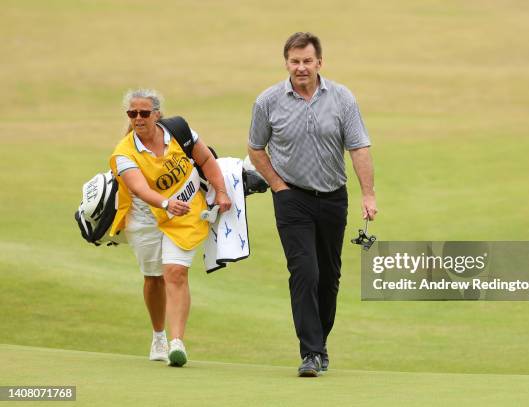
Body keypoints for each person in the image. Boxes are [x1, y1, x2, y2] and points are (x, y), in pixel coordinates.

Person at [248, 32, 377, 377]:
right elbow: (255, 148)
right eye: (295, 61)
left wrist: (368, 194)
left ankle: (319, 344)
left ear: (319, 62)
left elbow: (359, 148)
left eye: (307, 61)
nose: (301, 67)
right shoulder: (268, 101)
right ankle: (311, 353)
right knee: (305, 271)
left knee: (329, 276)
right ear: (286, 63)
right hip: (292, 198)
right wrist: (277, 186)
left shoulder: (342, 98)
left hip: (333, 197)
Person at [108, 89, 231, 367]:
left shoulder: (178, 130)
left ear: (157, 114)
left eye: (144, 113)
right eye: (132, 113)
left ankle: (177, 343)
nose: (138, 118)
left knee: (175, 272)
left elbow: (206, 160)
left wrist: (221, 191)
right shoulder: (123, 153)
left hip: (184, 213)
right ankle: (159, 335)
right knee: (153, 278)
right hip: (145, 220)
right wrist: (165, 202)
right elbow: (138, 188)